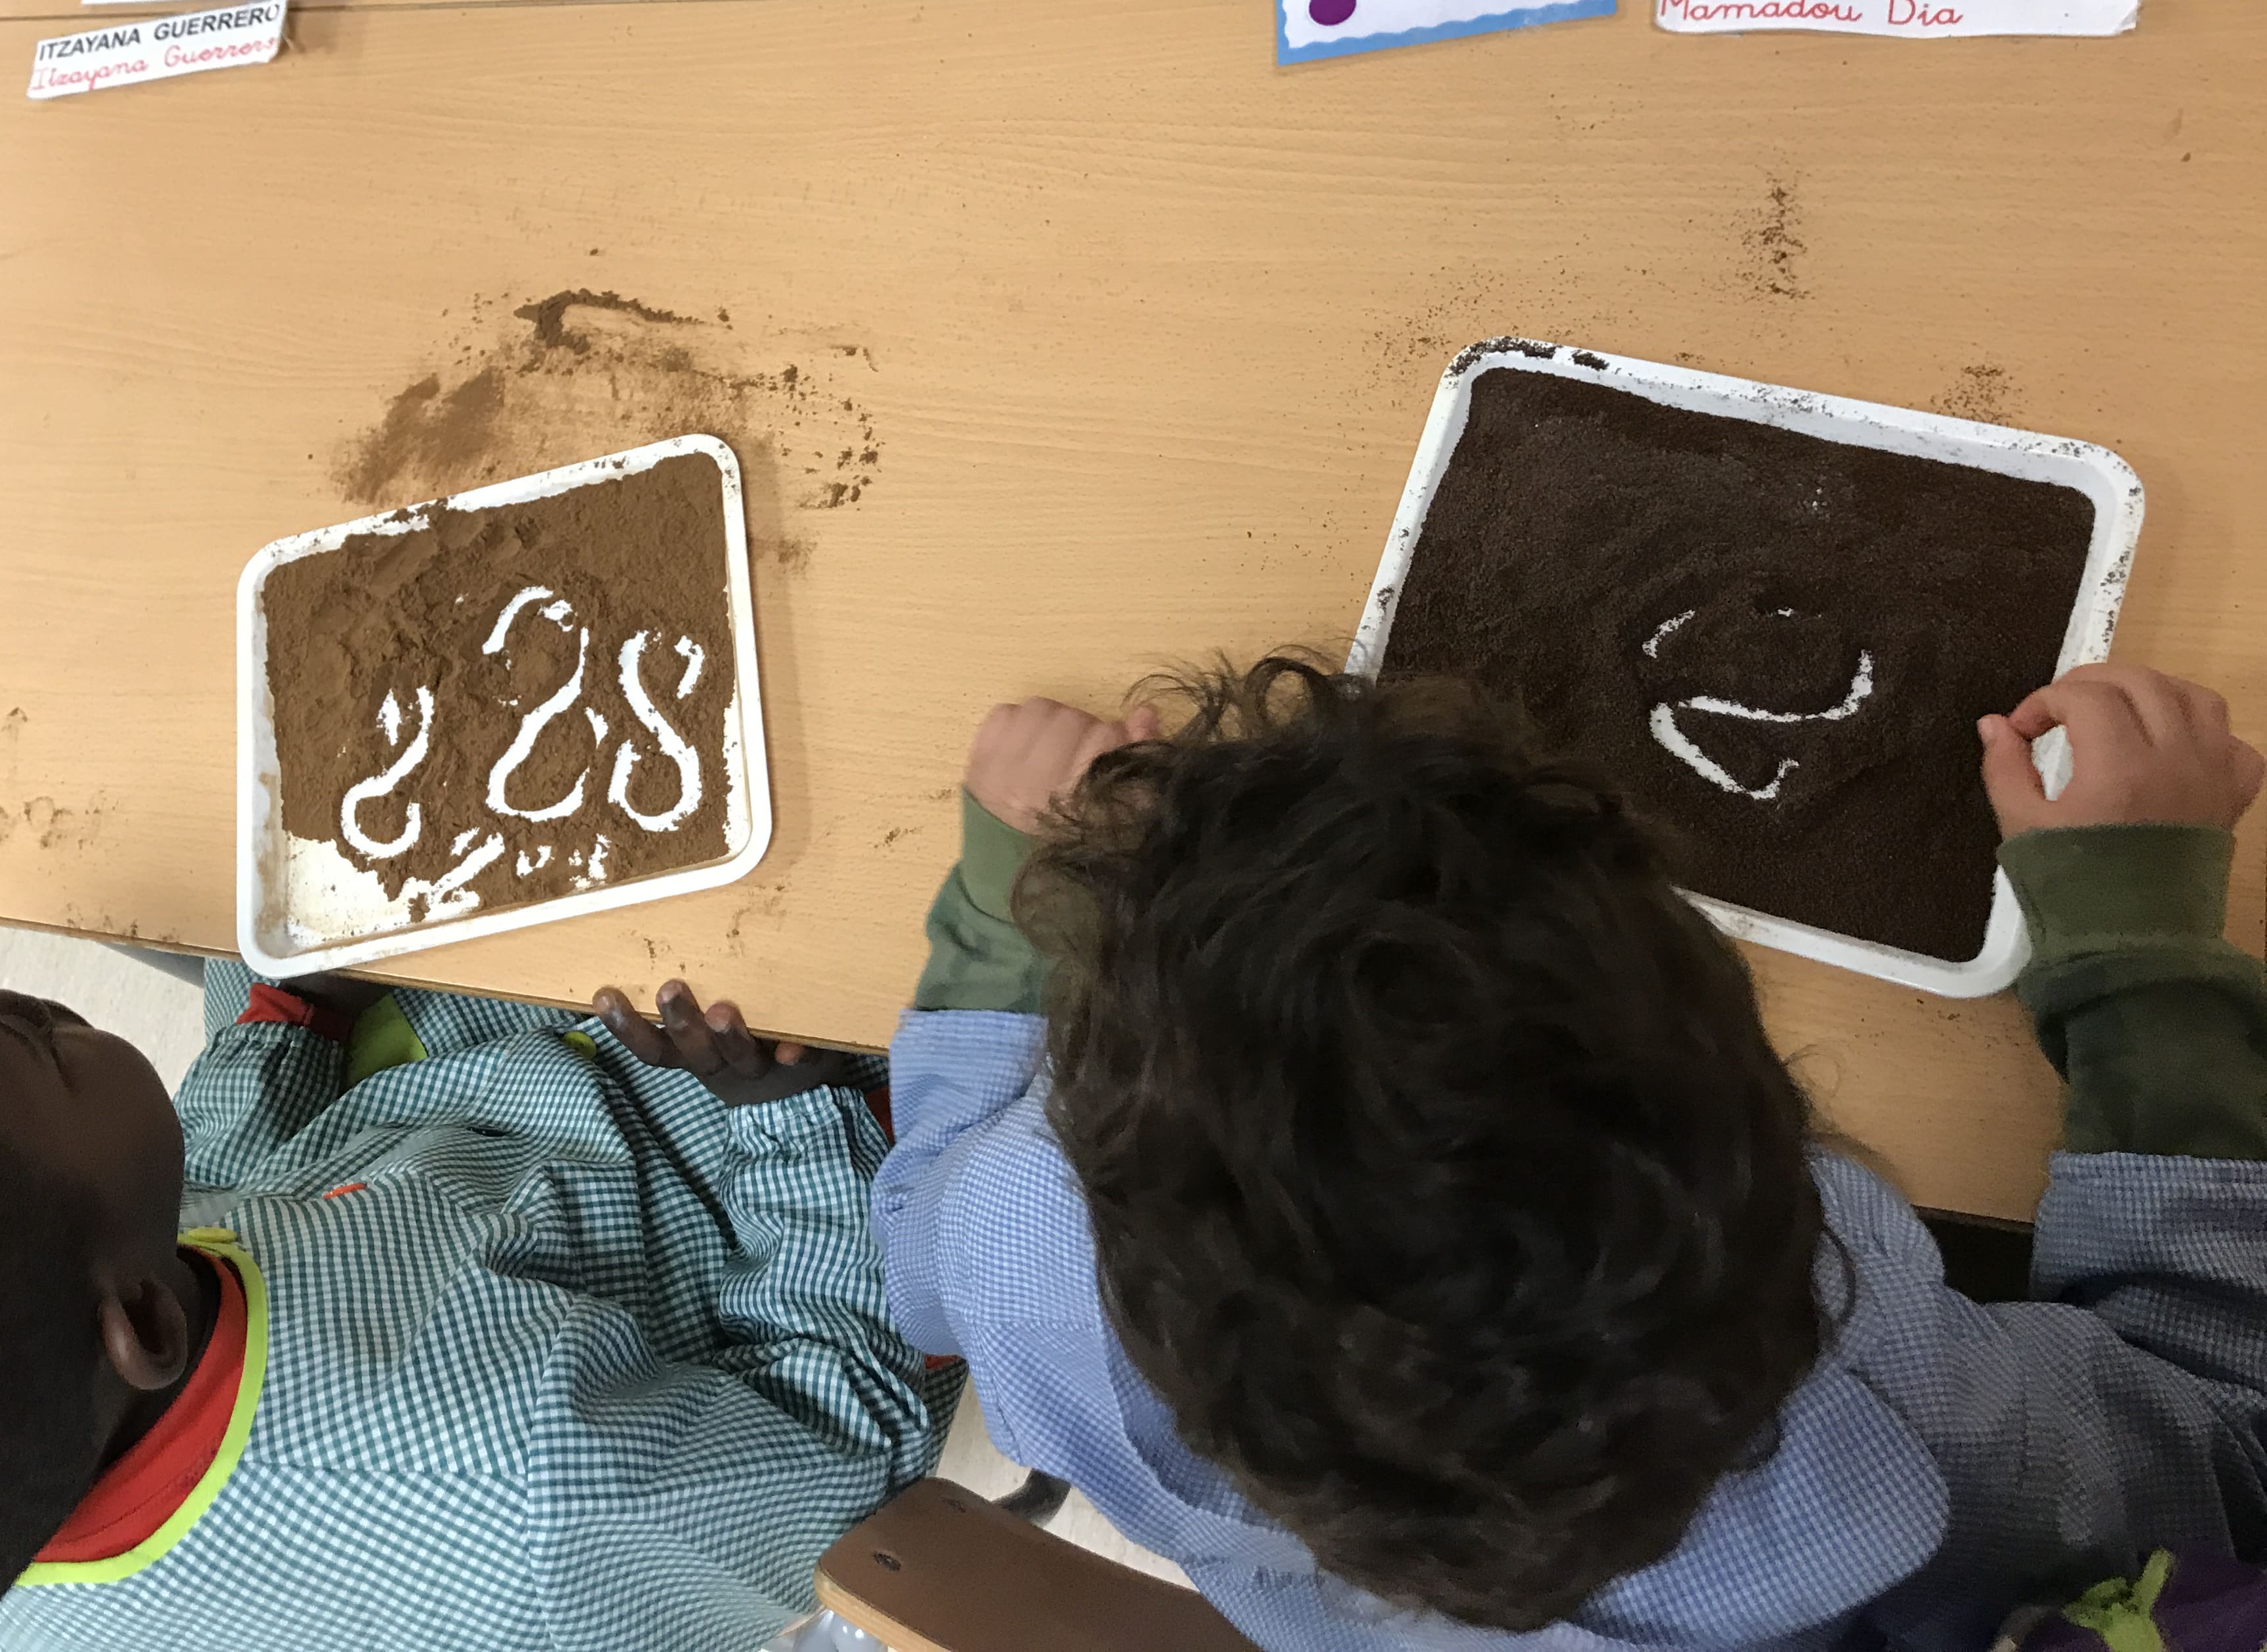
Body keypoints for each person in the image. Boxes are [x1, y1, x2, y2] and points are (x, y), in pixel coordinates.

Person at [874, 656, 2267, 1651]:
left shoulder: (1020, 1241)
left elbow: (917, 1277)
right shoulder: (1879, 1394)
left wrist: (999, 926)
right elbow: (2227, 1451)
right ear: (1766, 1120)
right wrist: (2137, 947)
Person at [0, 960, 952, 1652]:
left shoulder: (3, 1455)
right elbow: (850, 1453)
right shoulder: (533, 1490)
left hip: (437, 1131)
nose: (17, 995)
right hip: (761, 1208)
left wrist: (283, 1014)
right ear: (141, 1323)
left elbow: (223, 1180)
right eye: (20, 1042)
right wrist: (792, 1123)